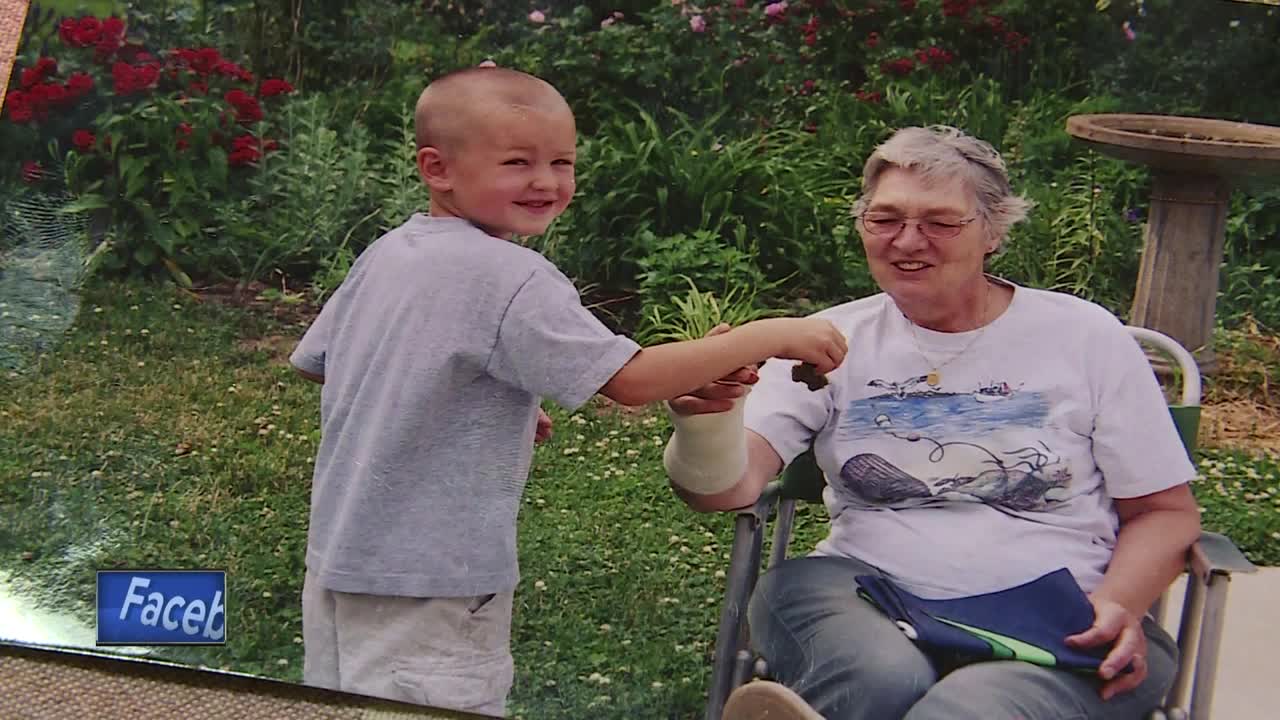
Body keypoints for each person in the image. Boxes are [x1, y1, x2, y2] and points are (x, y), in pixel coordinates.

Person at [288, 65, 848, 717]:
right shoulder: (513, 276)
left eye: (562, 161)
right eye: (517, 161)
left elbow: (323, 362)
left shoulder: (389, 252)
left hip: (341, 559)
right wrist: (766, 335)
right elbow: (631, 380)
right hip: (435, 578)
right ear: (437, 168)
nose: (546, 181)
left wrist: (471, 405)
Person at [663, 125, 1202, 720]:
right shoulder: (828, 341)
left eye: (941, 222)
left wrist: (1119, 603)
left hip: (1055, 613)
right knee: (877, 678)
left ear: (994, 230)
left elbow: (1164, 512)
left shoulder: (1085, 338)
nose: (907, 241)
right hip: (860, 591)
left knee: (972, 712)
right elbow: (722, 489)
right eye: (884, 218)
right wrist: (705, 423)